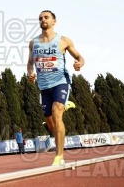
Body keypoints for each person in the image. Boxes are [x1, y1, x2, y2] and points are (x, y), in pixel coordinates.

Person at [27, 10, 85, 166]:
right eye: (40, 18)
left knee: (56, 112)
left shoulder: (64, 40)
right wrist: (30, 74)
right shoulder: (33, 43)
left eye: (46, 17)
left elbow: (80, 57)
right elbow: (30, 63)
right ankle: (65, 105)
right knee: (50, 123)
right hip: (44, 86)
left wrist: (79, 63)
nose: (43, 20)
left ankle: (59, 156)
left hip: (60, 82)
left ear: (54, 21)